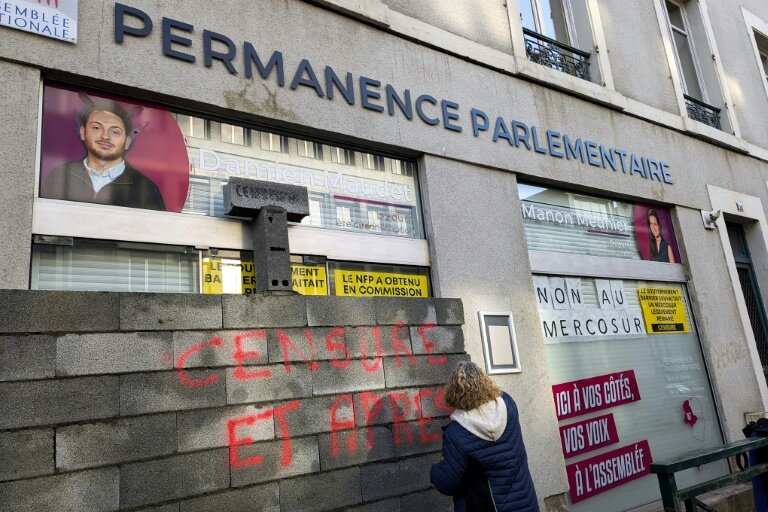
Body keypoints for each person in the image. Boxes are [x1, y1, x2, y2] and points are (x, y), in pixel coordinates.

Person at [431, 361, 539, 512]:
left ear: (454, 392)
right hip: (525, 504)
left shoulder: (457, 432)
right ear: (485, 381)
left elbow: (446, 483)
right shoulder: (507, 405)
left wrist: (435, 471)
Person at [41, 98, 166, 211]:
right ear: (83, 132)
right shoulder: (60, 176)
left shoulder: (145, 188)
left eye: (115, 132)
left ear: (127, 141)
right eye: (96, 128)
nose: (105, 136)